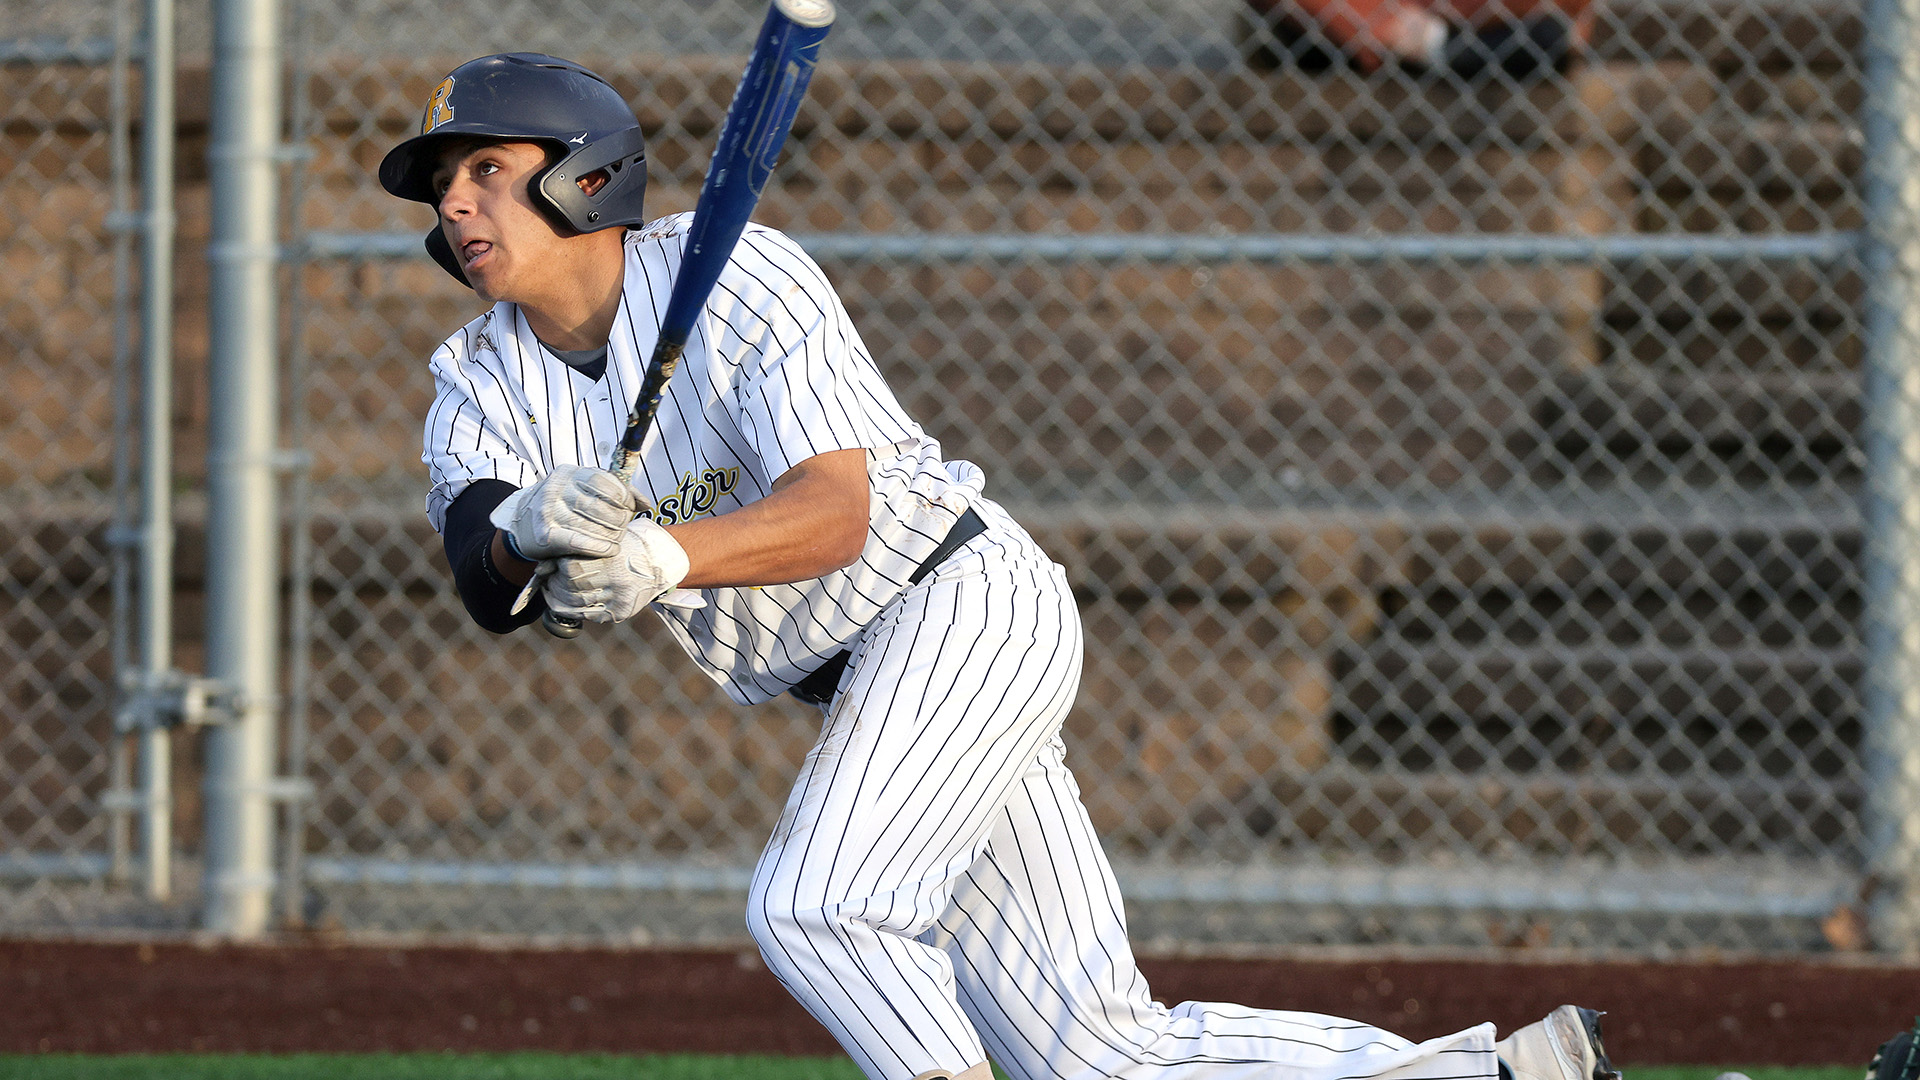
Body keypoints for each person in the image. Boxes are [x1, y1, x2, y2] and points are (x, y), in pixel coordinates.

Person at [381, 51, 1625, 1080]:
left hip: (957, 605)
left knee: (816, 907)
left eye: (488, 168)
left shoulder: (736, 270)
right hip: (867, 680)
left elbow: (836, 514)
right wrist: (528, 528)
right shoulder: (476, 378)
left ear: (587, 174)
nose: (458, 205)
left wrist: (663, 553)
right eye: (444, 186)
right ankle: (1507, 1075)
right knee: (1096, 1054)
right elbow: (483, 571)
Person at [1243, 0, 1596, 78]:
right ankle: (1424, 46)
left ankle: (1427, 45)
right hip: (1350, 29)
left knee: (1548, 37)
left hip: (1477, 32)